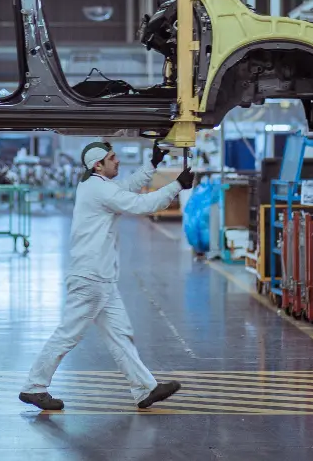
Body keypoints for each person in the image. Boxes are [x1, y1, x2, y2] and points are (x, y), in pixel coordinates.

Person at [19, 140, 194, 411]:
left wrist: (152, 164)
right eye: (113, 158)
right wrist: (177, 185)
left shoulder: (96, 186)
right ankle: (34, 387)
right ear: (98, 164)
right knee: (68, 334)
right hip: (91, 278)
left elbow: (126, 188)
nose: (118, 161)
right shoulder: (98, 189)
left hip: (101, 279)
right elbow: (140, 204)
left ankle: (144, 389)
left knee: (119, 335)